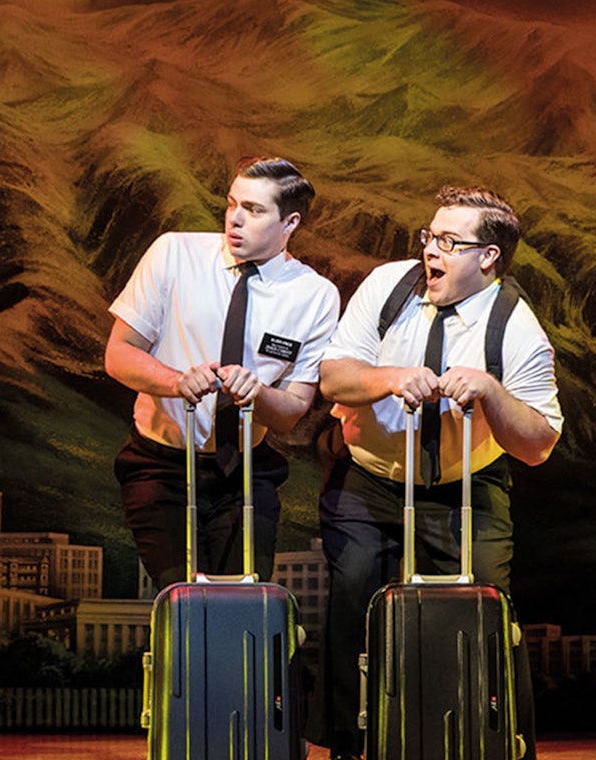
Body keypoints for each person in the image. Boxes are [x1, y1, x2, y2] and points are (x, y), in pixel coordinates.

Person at [313, 186, 561, 760]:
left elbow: (538, 445)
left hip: (465, 490)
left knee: (486, 603)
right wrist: (391, 377)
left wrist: (492, 392)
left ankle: (497, 740)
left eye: (449, 242)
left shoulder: (516, 327)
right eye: (429, 236)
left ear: (489, 256)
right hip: (369, 480)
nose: (431, 251)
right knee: (355, 595)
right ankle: (352, 744)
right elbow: (333, 378)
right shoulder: (388, 286)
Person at [106, 156, 340, 589]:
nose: (234, 218)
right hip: (162, 466)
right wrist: (175, 382)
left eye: (253, 210)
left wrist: (259, 394)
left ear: (289, 223)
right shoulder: (174, 253)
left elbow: (291, 411)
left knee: (242, 601)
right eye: (232, 203)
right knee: (182, 601)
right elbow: (118, 354)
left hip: (247, 474)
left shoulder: (315, 295)